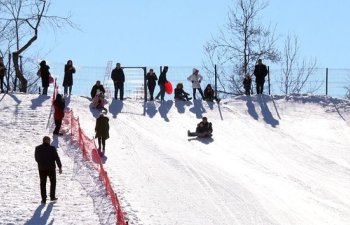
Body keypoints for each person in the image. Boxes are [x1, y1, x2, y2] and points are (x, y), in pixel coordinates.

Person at [35, 136, 62, 204]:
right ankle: (52, 196)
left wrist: (41, 163)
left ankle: (43, 199)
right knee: (53, 182)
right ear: (48, 141)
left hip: (42, 169)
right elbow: (56, 158)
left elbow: (36, 158)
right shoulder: (52, 148)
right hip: (51, 168)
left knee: (43, 184)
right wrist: (60, 167)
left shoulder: (38, 148)